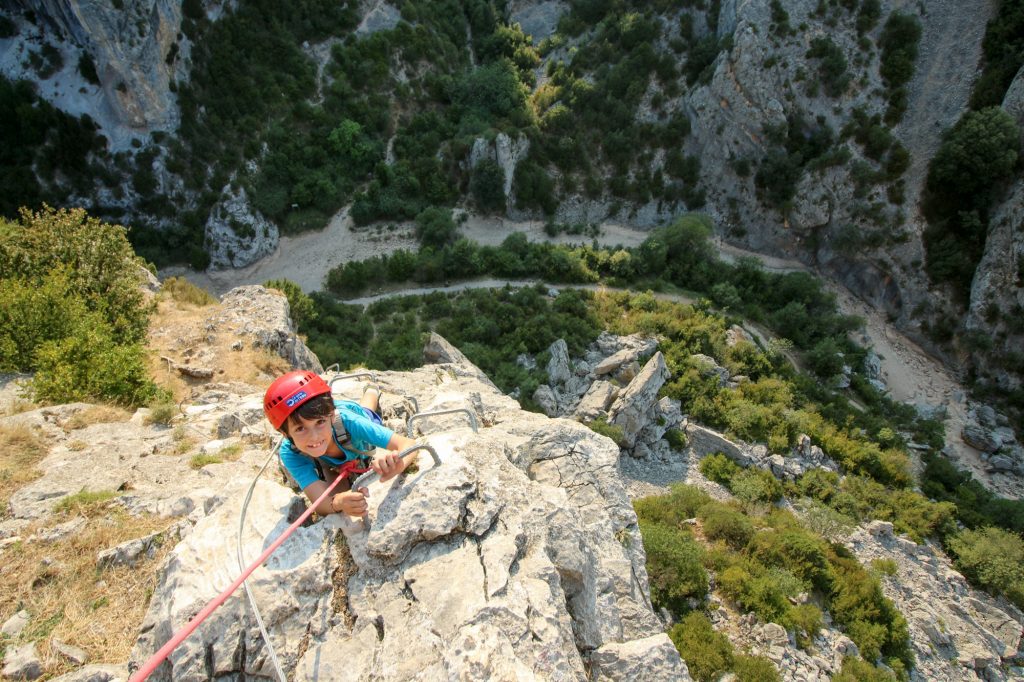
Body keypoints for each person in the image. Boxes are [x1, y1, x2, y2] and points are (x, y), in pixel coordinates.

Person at [263, 370, 417, 518]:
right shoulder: (291, 453)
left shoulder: (350, 422)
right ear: (285, 434)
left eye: (320, 422)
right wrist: (338, 502)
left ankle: (372, 390)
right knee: (336, 490)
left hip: (355, 426)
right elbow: (320, 504)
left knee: (367, 410)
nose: (314, 437)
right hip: (330, 461)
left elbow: (408, 444)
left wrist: (400, 464)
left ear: (331, 416)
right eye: (300, 428)